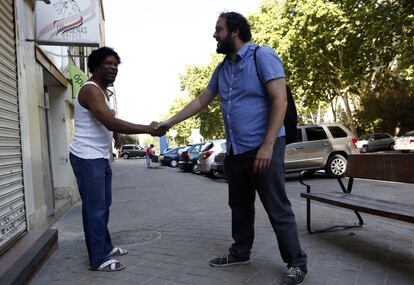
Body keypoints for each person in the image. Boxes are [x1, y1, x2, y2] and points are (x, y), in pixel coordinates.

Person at [156, 12, 307, 285]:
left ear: (235, 31)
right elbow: (202, 100)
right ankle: (240, 252)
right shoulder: (223, 68)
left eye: (219, 30)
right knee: (239, 205)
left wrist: (268, 145)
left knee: (277, 207)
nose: (215, 35)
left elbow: (280, 100)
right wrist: (168, 122)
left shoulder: (263, 56)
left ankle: (297, 263)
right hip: (236, 150)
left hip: (265, 146)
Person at [69, 47, 165, 272]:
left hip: (99, 157)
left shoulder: (103, 92)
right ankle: (98, 259)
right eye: (108, 64)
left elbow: (108, 120)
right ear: (94, 67)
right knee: (95, 209)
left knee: (104, 206)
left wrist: (116, 135)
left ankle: (106, 246)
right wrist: (148, 129)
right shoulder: (91, 90)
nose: (113, 68)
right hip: (87, 157)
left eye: (116, 65)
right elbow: (110, 121)